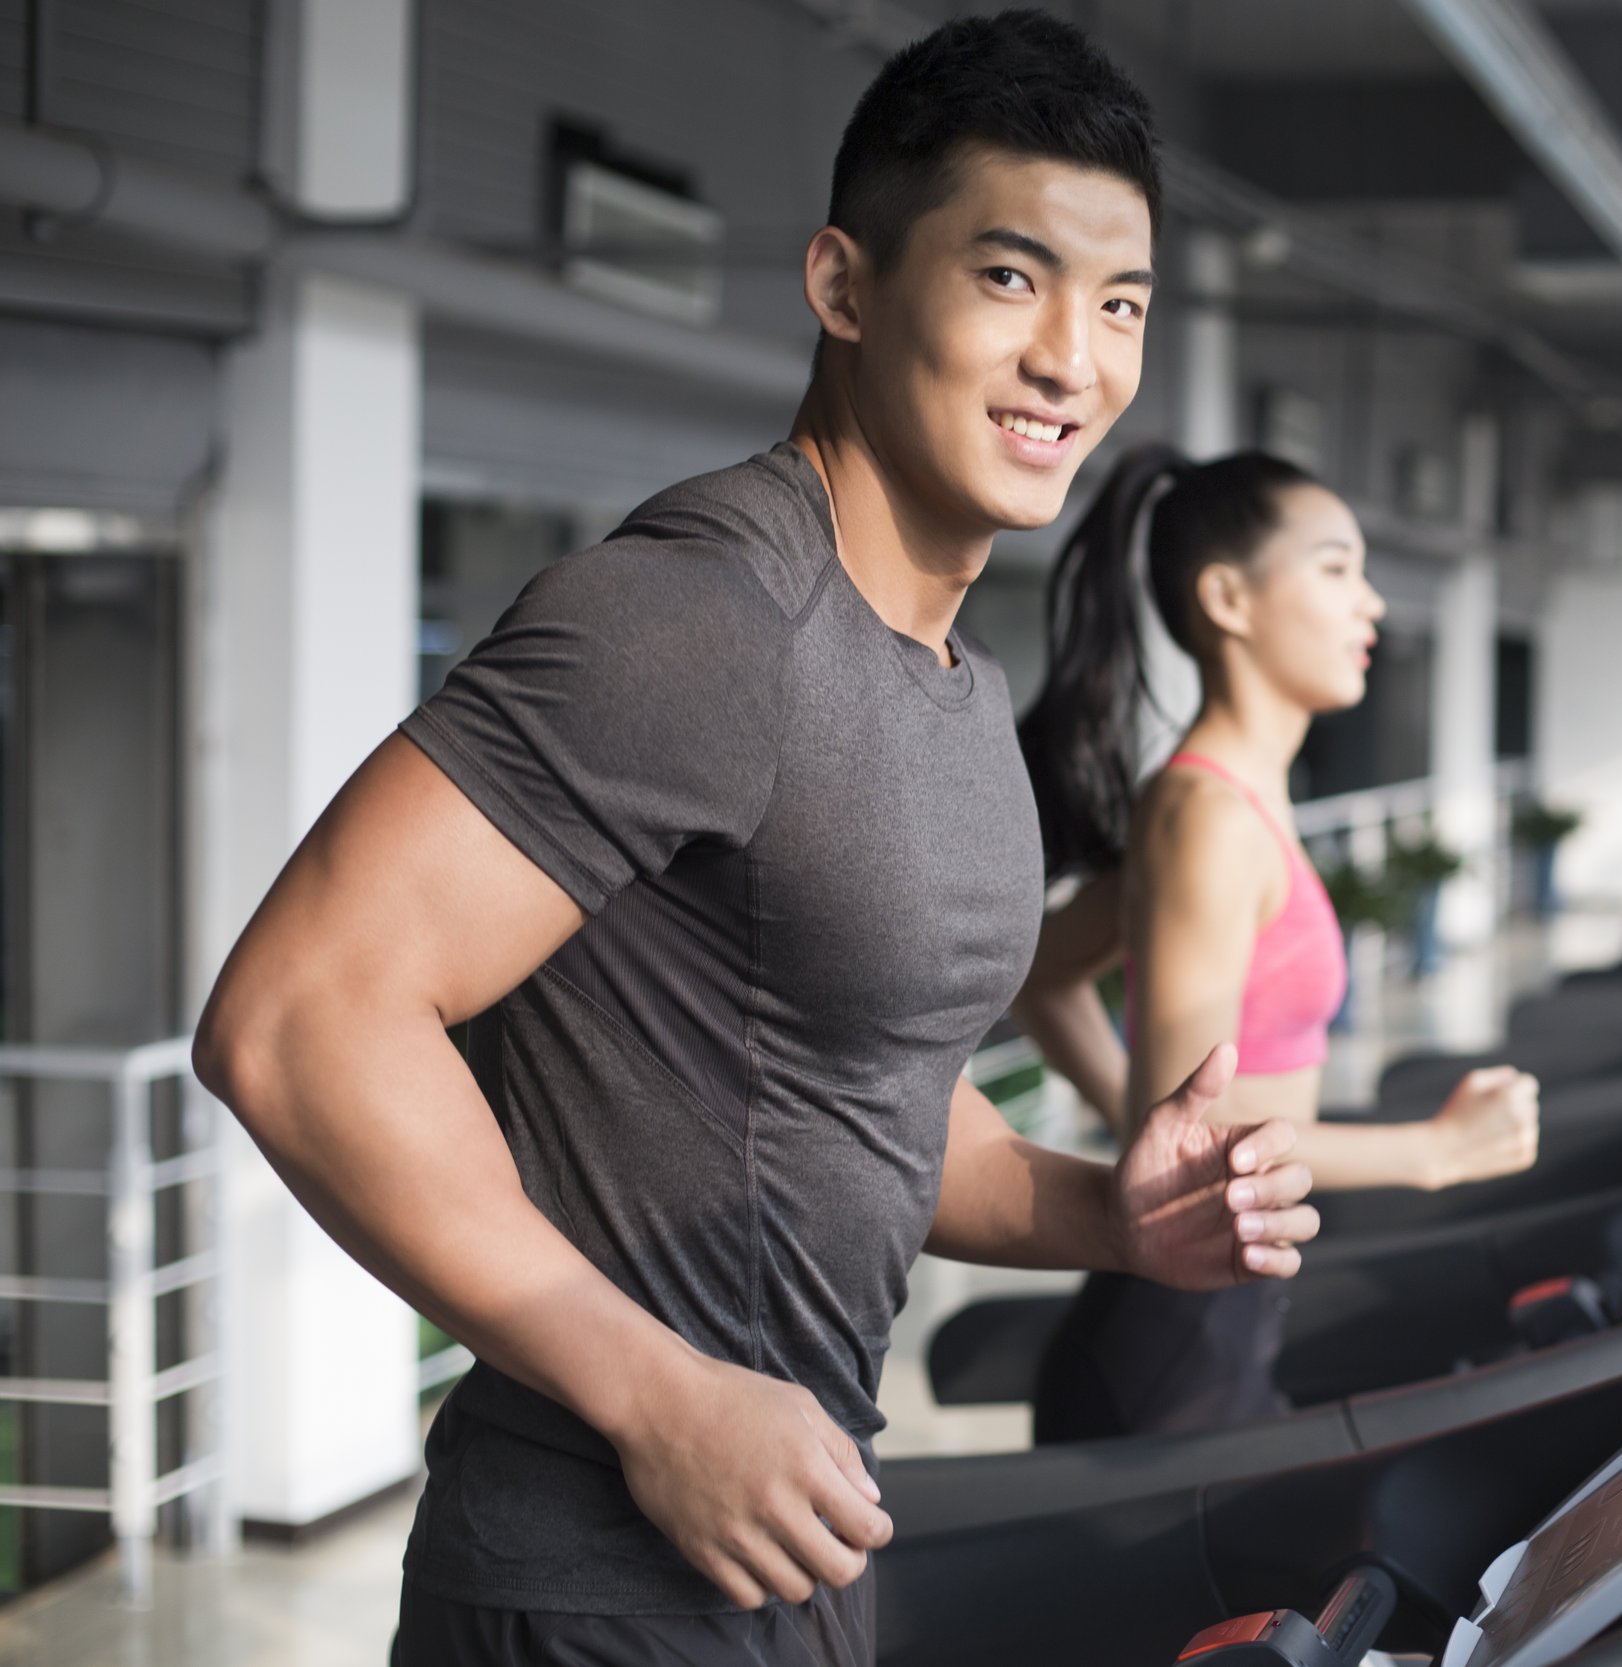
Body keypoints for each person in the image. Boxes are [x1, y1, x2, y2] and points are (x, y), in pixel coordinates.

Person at [190, 15, 1319, 1666]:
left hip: (788, 1545)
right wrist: (654, 1389)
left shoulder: (945, 685)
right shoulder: (699, 619)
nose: (1074, 356)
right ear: (847, 286)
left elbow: (871, 1105)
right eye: (1012, 278)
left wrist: (1108, 1216)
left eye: (1121, 302)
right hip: (588, 1588)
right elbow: (297, 1017)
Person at [1010, 444, 1542, 1441]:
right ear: (1229, 597)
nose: (1371, 603)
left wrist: (1136, 1110)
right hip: (1174, 1346)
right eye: (1336, 568)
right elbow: (1198, 1146)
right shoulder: (1207, 813)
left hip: (1215, 1306)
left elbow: (1042, 978)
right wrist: (1433, 1150)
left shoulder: (1229, 803)